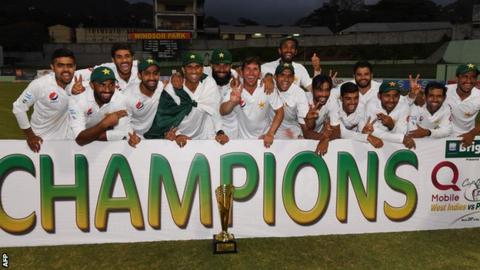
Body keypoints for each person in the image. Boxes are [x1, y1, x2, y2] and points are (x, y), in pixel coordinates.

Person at [144, 52, 228, 147]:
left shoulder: (209, 83)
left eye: (197, 66)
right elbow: (163, 119)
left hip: (204, 137)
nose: (194, 71)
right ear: (183, 70)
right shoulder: (172, 89)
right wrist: (177, 135)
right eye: (189, 67)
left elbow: (215, 111)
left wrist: (220, 132)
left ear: (202, 69)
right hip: (179, 136)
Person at [12, 48, 76, 152]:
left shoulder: (78, 81)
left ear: (74, 67)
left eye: (69, 65)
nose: (66, 70)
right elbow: (18, 107)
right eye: (60, 65)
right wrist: (30, 136)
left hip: (67, 142)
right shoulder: (40, 85)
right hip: (41, 142)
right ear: (53, 67)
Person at [220, 56, 284, 147]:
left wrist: (270, 133)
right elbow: (223, 111)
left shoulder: (267, 87)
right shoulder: (236, 89)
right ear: (242, 72)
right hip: (243, 141)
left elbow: (280, 111)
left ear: (260, 73)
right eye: (248, 69)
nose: (251, 73)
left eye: (255, 69)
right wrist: (232, 102)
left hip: (264, 139)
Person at [68, 66, 140, 147]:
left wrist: (89, 137)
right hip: (69, 144)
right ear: (92, 85)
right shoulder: (78, 100)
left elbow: (121, 133)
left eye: (111, 84)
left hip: (99, 145)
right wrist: (105, 123)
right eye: (102, 85)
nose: (107, 90)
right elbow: (79, 140)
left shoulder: (119, 99)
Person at [325, 82, 384, 154]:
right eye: (348, 99)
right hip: (328, 144)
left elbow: (360, 131)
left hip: (348, 148)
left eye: (356, 98)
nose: (353, 102)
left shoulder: (363, 109)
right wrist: (366, 137)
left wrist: (364, 132)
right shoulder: (334, 107)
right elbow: (342, 132)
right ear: (341, 98)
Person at [69, 43, 140, 95]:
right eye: (119, 57)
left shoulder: (142, 69)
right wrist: (72, 89)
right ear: (113, 60)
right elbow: (72, 75)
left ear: (132, 58)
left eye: (127, 56)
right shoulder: (106, 69)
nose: (124, 60)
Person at [364, 80, 415, 149]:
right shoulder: (371, 105)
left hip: (394, 148)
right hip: (373, 147)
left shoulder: (404, 106)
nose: (391, 100)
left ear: (399, 97)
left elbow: (402, 132)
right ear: (379, 96)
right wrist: (400, 138)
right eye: (387, 96)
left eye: (395, 96)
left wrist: (392, 126)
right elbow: (371, 132)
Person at [203, 48, 239, 138]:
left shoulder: (235, 80)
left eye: (225, 65)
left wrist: (268, 77)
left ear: (231, 66)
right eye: (217, 65)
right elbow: (189, 71)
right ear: (211, 65)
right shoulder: (203, 73)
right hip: (208, 133)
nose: (221, 69)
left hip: (231, 133)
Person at [445, 63, 480, 146]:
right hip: (442, 137)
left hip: (466, 138)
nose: (469, 80)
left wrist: (472, 133)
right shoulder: (445, 90)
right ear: (457, 78)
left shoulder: (478, 96)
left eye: (473, 77)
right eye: (465, 76)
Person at [273, 62, 309, 139]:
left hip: (292, 131)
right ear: (275, 77)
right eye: (282, 75)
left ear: (293, 78)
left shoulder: (299, 93)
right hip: (271, 131)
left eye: (289, 76)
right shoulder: (269, 87)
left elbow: (303, 122)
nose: (286, 79)